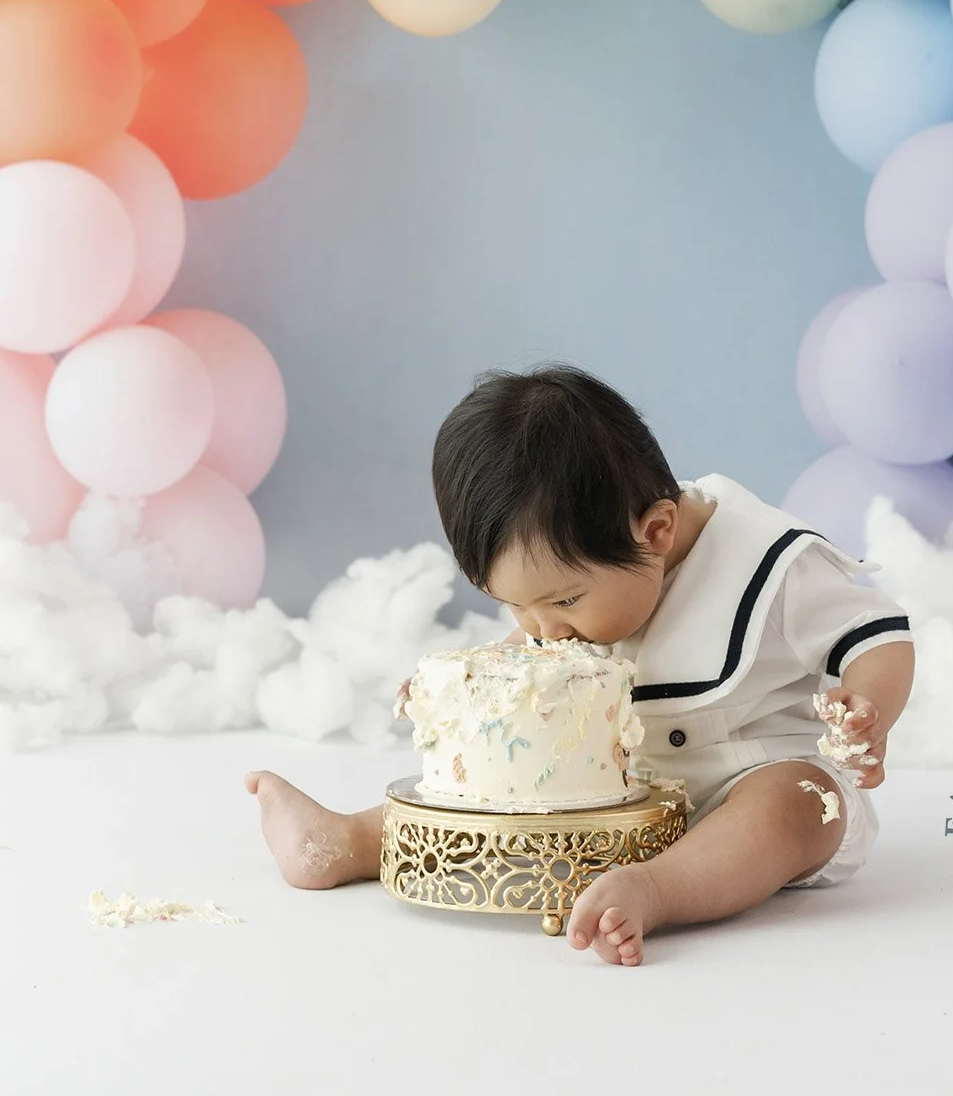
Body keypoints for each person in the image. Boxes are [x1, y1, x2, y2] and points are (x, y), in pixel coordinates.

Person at [246, 365, 916, 966]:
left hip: (745, 782)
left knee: (797, 804)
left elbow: (874, 635)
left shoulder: (769, 565)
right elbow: (527, 658)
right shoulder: (562, 595)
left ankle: (660, 889)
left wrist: (867, 709)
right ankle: (354, 840)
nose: (543, 628)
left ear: (655, 532)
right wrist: (468, 690)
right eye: (515, 606)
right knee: (501, 791)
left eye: (563, 600)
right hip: (600, 802)